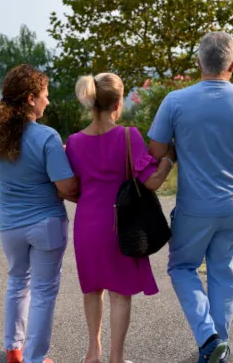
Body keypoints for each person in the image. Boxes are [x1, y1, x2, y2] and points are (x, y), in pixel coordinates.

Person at [147, 31, 233, 363]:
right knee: (225, 272)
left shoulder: (175, 101)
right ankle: (217, 347)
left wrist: (177, 149)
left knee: (181, 267)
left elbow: (155, 151)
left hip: (194, 206)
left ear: (199, 63)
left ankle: (208, 338)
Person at [65, 72, 176, 363]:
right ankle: (116, 358)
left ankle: (93, 352)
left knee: (92, 289)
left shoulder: (74, 142)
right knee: (119, 293)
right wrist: (169, 159)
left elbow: (71, 187)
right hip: (119, 223)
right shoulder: (129, 136)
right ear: (118, 102)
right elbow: (151, 182)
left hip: (87, 224)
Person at [0, 64, 79, 363]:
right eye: (44, 95)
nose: (47, 101)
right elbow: (67, 187)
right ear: (30, 99)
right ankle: (36, 359)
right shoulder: (47, 137)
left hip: (9, 224)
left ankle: (14, 349)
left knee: (16, 281)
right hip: (46, 224)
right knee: (44, 292)